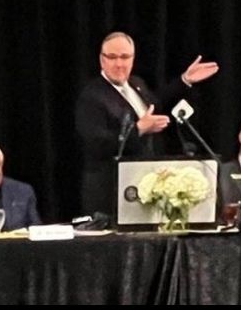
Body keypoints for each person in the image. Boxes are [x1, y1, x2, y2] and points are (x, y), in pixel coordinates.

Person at [75, 31, 219, 216]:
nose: (119, 64)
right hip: (110, 193)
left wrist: (184, 81)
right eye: (112, 57)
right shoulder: (92, 96)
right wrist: (139, 129)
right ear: (102, 60)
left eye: (125, 57)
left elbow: (156, 103)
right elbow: (95, 143)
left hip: (143, 186)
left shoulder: (136, 84)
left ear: (132, 59)